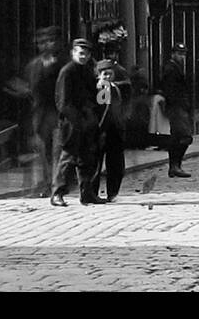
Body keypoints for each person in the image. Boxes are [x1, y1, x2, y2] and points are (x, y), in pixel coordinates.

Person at [51, 40, 102, 207]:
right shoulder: (67, 72)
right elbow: (63, 102)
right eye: (80, 53)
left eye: (86, 54)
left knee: (86, 159)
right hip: (72, 123)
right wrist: (77, 121)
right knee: (67, 158)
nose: (84, 56)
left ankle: (86, 193)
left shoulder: (87, 71)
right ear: (73, 53)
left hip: (86, 121)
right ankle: (57, 193)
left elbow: (93, 95)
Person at [23, 28, 63, 197]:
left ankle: (58, 184)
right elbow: (31, 89)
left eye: (50, 41)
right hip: (41, 113)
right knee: (45, 151)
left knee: (58, 149)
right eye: (41, 43)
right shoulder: (33, 66)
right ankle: (48, 183)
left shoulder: (63, 64)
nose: (46, 45)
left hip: (59, 111)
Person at [92, 42, 131, 203]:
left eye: (109, 74)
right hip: (99, 129)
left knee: (115, 162)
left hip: (114, 129)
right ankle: (92, 191)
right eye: (104, 75)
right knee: (95, 162)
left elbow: (124, 104)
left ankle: (112, 192)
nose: (106, 77)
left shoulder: (116, 85)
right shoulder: (99, 89)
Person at [160, 44, 194, 178]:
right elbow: (170, 89)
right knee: (185, 136)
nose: (182, 57)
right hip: (176, 107)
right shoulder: (170, 69)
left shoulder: (176, 68)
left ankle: (175, 166)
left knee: (177, 137)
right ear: (173, 54)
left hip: (180, 107)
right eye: (179, 54)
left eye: (183, 54)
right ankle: (175, 165)